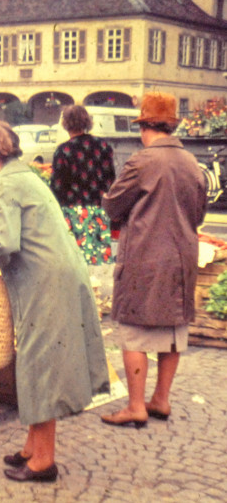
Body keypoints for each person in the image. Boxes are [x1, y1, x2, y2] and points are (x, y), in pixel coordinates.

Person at [0, 121, 109, 483]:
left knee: (39, 363)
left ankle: (43, 461)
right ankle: (32, 447)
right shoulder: (24, 175)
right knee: (36, 360)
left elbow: (1, 243)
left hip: (44, 282)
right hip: (58, 275)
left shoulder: (5, 184)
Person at [100, 92, 207, 428]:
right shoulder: (192, 163)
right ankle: (160, 399)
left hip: (145, 257)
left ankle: (136, 406)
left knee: (133, 329)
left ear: (145, 126)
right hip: (182, 257)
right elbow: (199, 215)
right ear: (171, 126)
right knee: (174, 328)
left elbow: (113, 206)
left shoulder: (142, 161)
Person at [51, 105, 115, 265]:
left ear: (65, 124)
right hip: (100, 211)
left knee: (76, 264)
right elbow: (111, 178)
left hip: (74, 214)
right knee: (98, 265)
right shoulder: (103, 146)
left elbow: (57, 188)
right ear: (87, 121)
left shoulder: (63, 151)